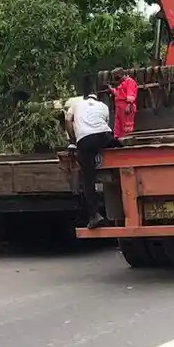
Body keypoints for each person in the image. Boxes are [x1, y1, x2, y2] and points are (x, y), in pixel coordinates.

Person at [65, 81, 122, 228]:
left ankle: (95, 215)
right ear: (97, 98)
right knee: (120, 149)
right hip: (104, 136)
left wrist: (72, 140)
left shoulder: (77, 105)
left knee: (88, 179)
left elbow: (67, 120)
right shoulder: (103, 106)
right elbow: (105, 124)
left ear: (85, 97)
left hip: (85, 140)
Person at [109, 67, 139, 138]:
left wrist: (129, 105)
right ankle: (118, 138)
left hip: (126, 105)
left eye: (115, 76)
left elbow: (130, 94)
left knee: (126, 124)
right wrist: (112, 90)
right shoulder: (122, 83)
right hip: (119, 106)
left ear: (119, 75)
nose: (114, 78)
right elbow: (119, 94)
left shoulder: (130, 81)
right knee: (118, 124)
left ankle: (127, 138)